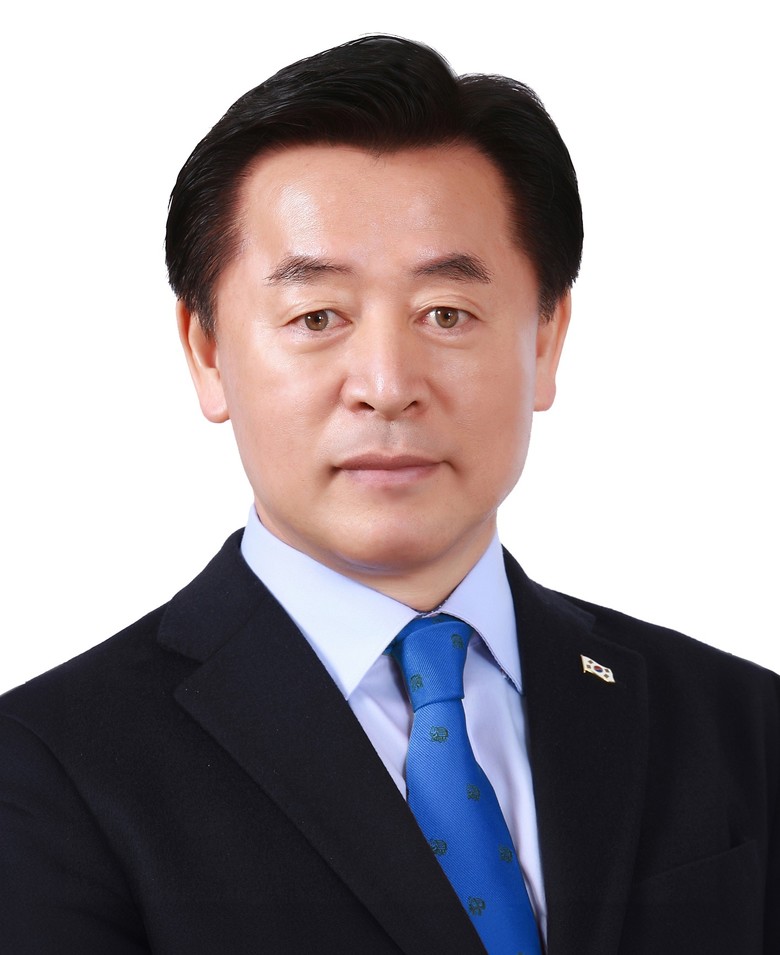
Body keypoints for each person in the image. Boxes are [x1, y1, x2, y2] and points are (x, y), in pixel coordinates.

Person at [0, 34, 777, 955]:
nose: (386, 384)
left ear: (544, 340)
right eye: (316, 316)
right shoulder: (45, 771)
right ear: (207, 352)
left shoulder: (742, 724)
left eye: (446, 313)